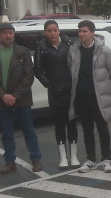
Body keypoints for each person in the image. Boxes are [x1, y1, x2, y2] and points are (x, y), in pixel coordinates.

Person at [0, 22, 42, 174]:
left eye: (10, 32)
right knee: (6, 133)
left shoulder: (23, 52)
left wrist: (15, 95)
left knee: (29, 131)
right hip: (1, 100)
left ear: (14, 34)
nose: (8, 35)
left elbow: (29, 77)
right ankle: (10, 161)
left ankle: (36, 159)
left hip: (22, 99)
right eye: (4, 33)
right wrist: (3, 95)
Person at [70, 20, 111, 174]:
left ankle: (106, 159)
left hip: (99, 96)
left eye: (84, 31)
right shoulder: (74, 50)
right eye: (79, 31)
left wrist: (103, 87)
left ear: (92, 32)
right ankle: (91, 159)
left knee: (102, 128)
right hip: (82, 95)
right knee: (87, 129)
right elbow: (71, 69)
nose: (81, 34)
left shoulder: (104, 50)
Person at [34, 20, 80, 169]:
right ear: (45, 33)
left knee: (72, 123)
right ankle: (63, 157)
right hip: (55, 92)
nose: (52, 33)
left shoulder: (69, 44)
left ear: (59, 31)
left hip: (70, 90)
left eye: (55, 30)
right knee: (59, 124)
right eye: (49, 31)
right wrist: (49, 84)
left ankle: (74, 156)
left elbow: (76, 64)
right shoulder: (41, 47)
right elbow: (38, 70)